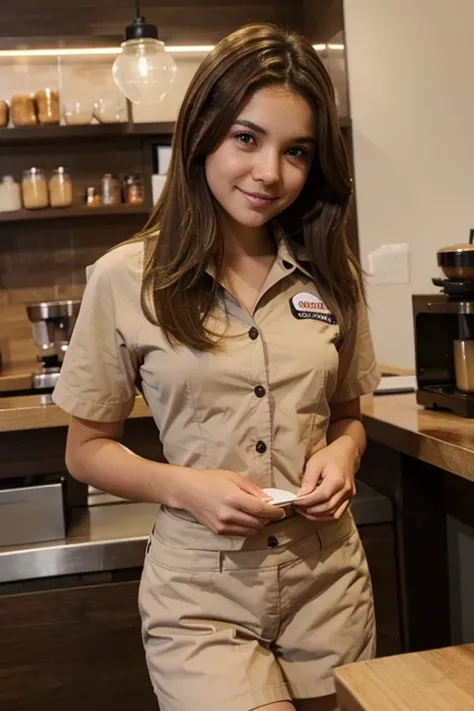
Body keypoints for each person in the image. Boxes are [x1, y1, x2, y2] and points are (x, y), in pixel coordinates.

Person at [53, 21, 381, 711]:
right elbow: (86, 451)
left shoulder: (331, 272)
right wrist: (185, 486)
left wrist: (345, 457)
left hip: (328, 579)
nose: (270, 173)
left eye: (296, 151)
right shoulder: (124, 278)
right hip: (201, 593)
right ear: (202, 131)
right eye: (246, 138)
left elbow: (349, 416)